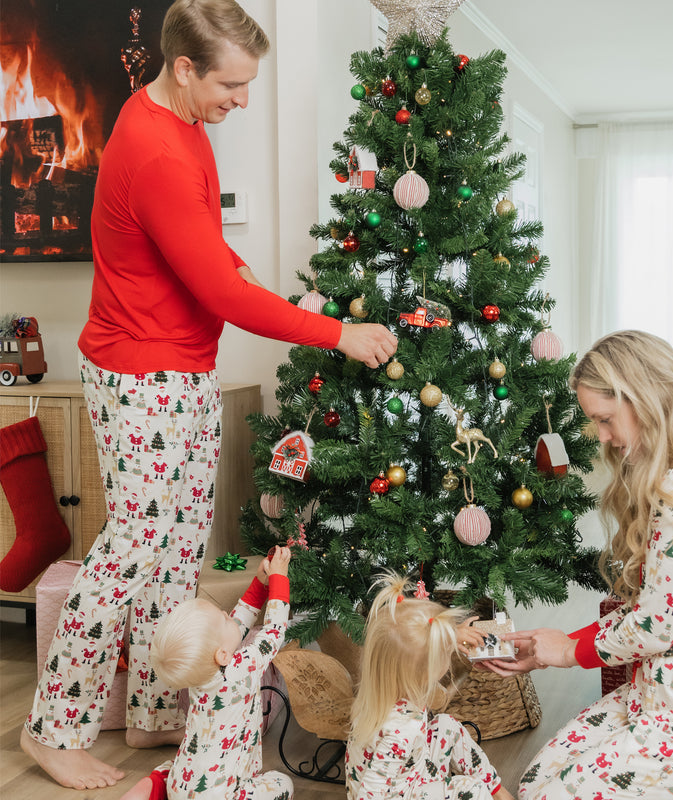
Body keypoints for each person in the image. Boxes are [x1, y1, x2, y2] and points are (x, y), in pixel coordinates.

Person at [20, 0, 397, 790]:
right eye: (231, 84)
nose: (242, 101)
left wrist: (228, 260)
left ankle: (161, 711)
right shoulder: (155, 146)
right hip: (140, 371)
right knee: (129, 553)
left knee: (176, 551)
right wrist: (339, 335)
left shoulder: (182, 122)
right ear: (184, 67)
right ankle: (53, 729)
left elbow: (195, 239)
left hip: (182, 366)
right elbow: (225, 298)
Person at [482, 330, 673, 800]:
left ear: (643, 399)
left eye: (606, 420)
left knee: (545, 794)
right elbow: (660, 612)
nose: (604, 438)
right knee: (535, 783)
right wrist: (562, 643)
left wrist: (564, 652)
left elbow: (653, 627)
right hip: (668, 692)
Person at [121, 547, 293, 800]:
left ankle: (157, 785)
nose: (228, 615)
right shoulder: (241, 668)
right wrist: (280, 578)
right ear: (221, 654)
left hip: (183, 784)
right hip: (221, 794)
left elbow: (236, 625)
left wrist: (259, 583)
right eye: (224, 618)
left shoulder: (202, 672)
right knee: (282, 783)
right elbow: (274, 631)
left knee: (177, 770)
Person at [345, 572, 515, 800]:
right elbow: (369, 794)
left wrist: (453, 634)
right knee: (468, 790)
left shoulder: (381, 689)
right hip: (395, 793)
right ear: (422, 674)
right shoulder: (403, 729)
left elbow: (415, 640)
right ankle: (487, 792)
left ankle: (497, 792)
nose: (450, 654)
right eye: (444, 652)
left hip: (409, 774)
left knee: (446, 725)